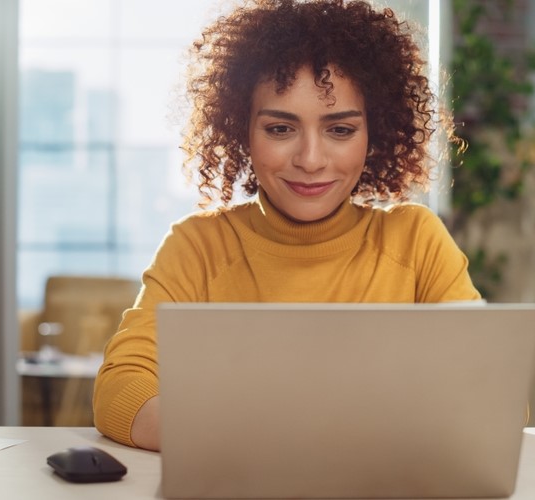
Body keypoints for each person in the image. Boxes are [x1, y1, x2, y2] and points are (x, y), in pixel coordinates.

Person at [93, 0, 481, 451]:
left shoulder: (415, 241)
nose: (311, 160)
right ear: (242, 130)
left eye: (340, 130)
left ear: (375, 134)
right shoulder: (197, 247)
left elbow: (487, 396)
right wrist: (274, 440)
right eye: (280, 129)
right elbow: (121, 390)